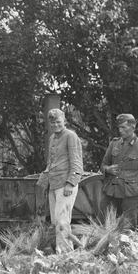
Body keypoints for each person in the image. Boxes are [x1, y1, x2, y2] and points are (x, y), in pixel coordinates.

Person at [36, 108, 84, 253]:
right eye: (52, 123)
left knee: (62, 222)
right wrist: (43, 182)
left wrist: (71, 182)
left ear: (64, 121)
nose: (55, 125)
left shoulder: (70, 136)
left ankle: (64, 254)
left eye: (58, 122)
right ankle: (71, 250)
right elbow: (51, 163)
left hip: (65, 184)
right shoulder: (52, 138)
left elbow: (76, 162)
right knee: (56, 222)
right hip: (53, 184)